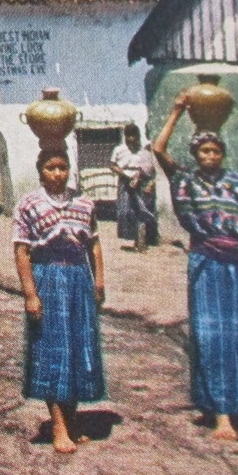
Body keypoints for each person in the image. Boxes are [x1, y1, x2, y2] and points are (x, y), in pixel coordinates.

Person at [154, 101, 238, 442]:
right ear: (196, 153)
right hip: (207, 265)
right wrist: (177, 111)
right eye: (204, 150)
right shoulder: (186, 181)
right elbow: (158, 148)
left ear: (222, 153)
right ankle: (222, 414)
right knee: (212, 335)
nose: (210, 156)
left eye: (215, 150)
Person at [12, 147, 106, 454]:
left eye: (62, 167)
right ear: (41, 171)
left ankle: (73, 417)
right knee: (53, 349)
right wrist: (29, 293)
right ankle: (59, 426)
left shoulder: (83, 202)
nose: (57, 173)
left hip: (79, 279)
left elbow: (93, 244)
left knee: (78, 348)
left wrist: (99, 281)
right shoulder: (29, 205)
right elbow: (22, 251)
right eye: (51, 168)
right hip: (47, 279)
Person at [110, 123, 160, 251]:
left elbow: (148, 169)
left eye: (134, 138)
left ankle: (142, 241)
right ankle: (132, 238)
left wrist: (139, 176)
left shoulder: (144, 151)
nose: (131, 142)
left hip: (141, 182)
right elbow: (113, 165)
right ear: (125, 137)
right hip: (124, 181)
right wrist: (125, 175)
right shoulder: (119, 150)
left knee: (142, 210)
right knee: (125, 211)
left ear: (138, 137)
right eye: (128, 138)